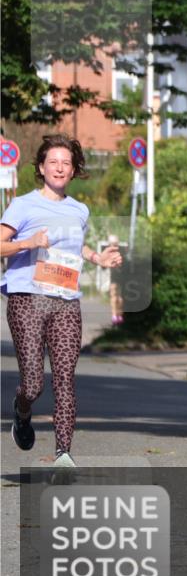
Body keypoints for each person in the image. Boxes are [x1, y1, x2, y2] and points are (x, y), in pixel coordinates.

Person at [1, 134, 123, 468]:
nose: (59, 167)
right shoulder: (23, 205)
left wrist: (98, 258)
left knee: (65, 376)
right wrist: (28, 242)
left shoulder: (79, 210)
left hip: (66, 301)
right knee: (33, 383)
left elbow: (74, 248)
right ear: (41, 167)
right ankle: (22, 410)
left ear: (73, 171)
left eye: (65, 163)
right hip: (27, 299)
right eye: (53, 162)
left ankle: (63, 454)